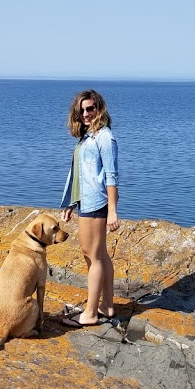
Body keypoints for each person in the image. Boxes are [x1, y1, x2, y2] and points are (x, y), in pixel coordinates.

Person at [59, 89, 119, 327]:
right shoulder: (87, 137)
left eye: (90, 108)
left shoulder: (105, 137)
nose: (86, 113)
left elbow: (112, 176)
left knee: (91, 256)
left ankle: (91, 313)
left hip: (97, 202)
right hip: (85, 200)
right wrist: (71, 203)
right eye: (82, 110)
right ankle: (107, 305)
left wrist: (113, 210)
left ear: (99, 108)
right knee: (100, 255)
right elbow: (80, 174)